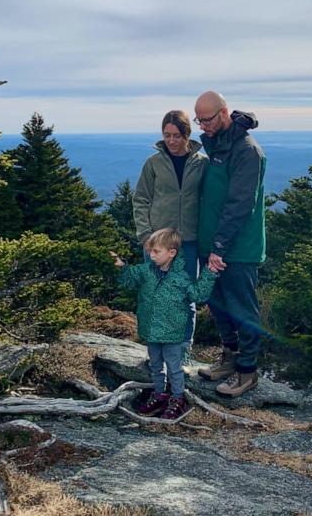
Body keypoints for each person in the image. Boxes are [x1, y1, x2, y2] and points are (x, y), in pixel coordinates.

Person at [193, 90, 266, 397]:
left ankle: (247, 372)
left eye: (207, 119)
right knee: (218, 303)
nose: (202, 126)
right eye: (199, 119)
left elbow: (240, 204)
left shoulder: (247, 150)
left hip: (235, 250)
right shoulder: (219, 144)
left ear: (223, 113)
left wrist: (219, 249)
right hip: (213, 247)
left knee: (241, 308)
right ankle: (230, 358)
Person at [111, 228, 220, 419]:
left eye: (156, 251)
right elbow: (128, 278)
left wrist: (209, 274)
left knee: (174, 368)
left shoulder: (181, 279)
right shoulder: (145, 272)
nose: (151, 255)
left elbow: (197, 295)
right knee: (155, 365)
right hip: (151, 332)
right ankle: (160, 394)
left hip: (172, 334)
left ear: (172, 252)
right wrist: (119, 265)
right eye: (150, 251)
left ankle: (177, 398)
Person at [132, 110, 208, 368]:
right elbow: (140, 199)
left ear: (187, 134)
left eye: (176, 135)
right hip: (157, 243)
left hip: (187, 242)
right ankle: (155, 355)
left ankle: (183, 353)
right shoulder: (153, 163)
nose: (171, 140)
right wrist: (145, 235)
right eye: (167, 135)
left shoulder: (201, 163)